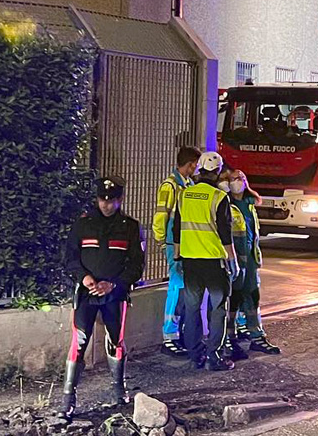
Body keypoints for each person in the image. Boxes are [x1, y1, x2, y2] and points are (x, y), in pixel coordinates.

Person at [61, 177, 145, 417]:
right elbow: (69, 257)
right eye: (102, 200)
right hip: (86, 292)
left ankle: (119, 390)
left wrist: (114, 284)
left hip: (115, 293)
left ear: (120, 200)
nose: (106, 205)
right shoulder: (83, 224)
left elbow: (136, 265)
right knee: (79, 342)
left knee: (115, 340)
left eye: (112, 200)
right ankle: (68, 397)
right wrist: (84, 278)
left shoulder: (130, 226)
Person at [173, 151, 238, 371]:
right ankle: (215, 357)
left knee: (192, 308)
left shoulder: (185, 194)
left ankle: (195, 356)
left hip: (190, 260)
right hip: (213, 261)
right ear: (218, 172)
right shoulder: (219, 197)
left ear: (200, 169)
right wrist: (233, 260)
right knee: (218, 308)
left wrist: (177, 255)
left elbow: (176, 227)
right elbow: (225, 231)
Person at [221, 169, 281, 360]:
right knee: (234, 300)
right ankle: (230, 337)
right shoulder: (226, 204)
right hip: (236, 261)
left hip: (251, 260)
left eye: (241, 178)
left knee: (252, 298)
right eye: (233, 179)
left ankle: (257, 335)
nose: (238, 181)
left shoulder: (249, 204)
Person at [152, 145, 201, 356]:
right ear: (190, 164)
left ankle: (177, 333)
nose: (196, 169)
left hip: (186, 244)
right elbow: (161, 215)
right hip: (174, 244)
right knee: (175, 288)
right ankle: (169, 336)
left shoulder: (188, 184)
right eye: (195, 165)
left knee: (182, 290)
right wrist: (163, 241)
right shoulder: (170, 186)